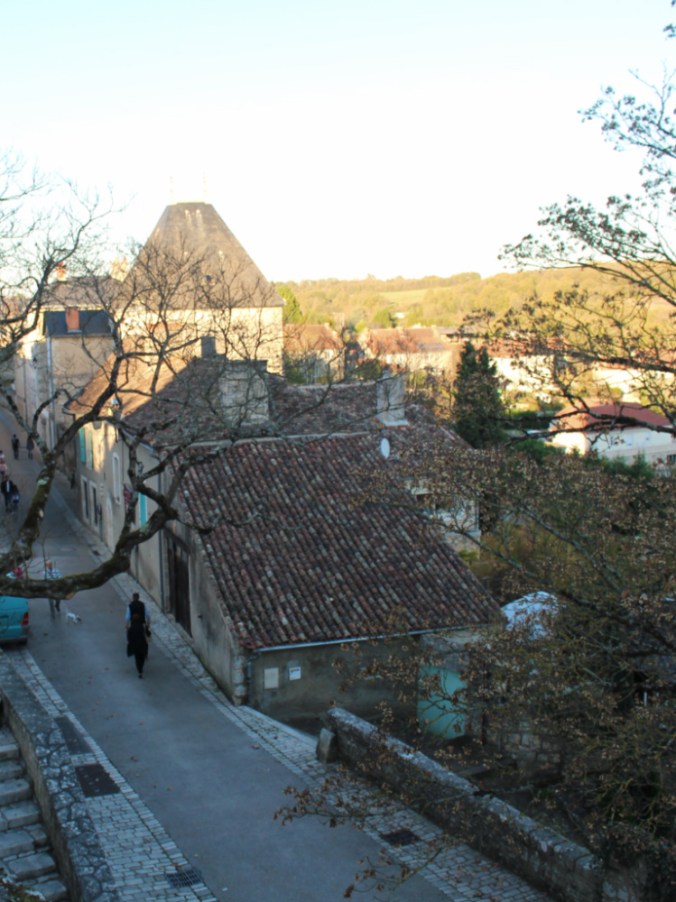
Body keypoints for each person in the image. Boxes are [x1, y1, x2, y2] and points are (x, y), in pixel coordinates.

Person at [126, 594, 150, 678]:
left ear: (133, 598)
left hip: (135, 643)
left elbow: (127, 617)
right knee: (142, 655)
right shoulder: (142, 605)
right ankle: (143, 662)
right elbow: (147, 615)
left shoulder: (130, 606)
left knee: (137, 657)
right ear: (138, 598)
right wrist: (148, 625)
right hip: (142, 639)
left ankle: (139, 670)